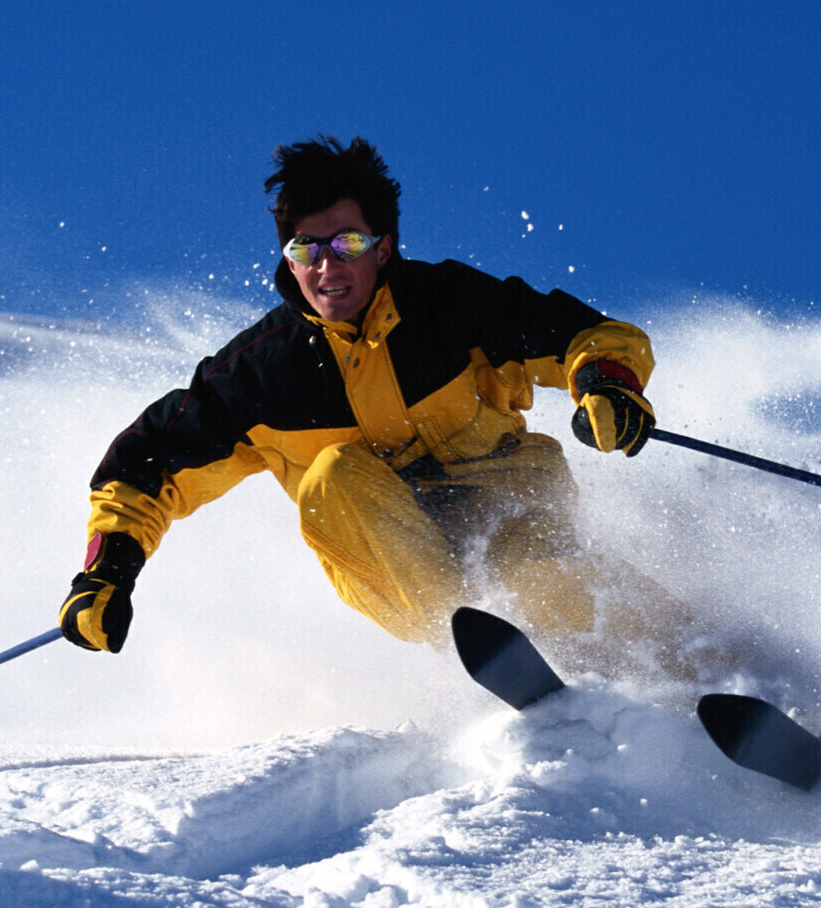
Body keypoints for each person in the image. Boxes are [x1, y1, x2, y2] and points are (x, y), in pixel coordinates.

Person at [60, 136, 687, 668]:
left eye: (347, 245)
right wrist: (106, 572)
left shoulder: (445, 305)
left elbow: (578, 334)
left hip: (514, 513)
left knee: (543, 582)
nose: (327, 266)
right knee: (333, 476)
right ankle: (491, 658)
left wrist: (607, 383)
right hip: (402, 570)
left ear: (383, 247)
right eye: (307, 248)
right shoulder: (262, 372)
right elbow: (147, 465)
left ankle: (706, 661)